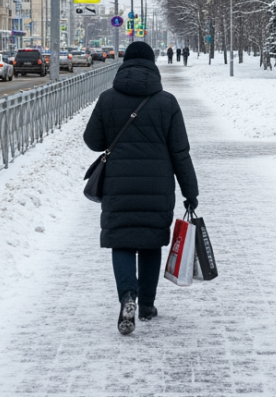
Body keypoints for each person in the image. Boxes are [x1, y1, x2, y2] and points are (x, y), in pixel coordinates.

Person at [83, 40, 198, 336]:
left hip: (118, 185)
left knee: (121, 241)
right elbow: (180, 152)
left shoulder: (108, 99)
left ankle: (127, 297)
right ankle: (146, 304)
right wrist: (190, 191)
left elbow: (93, 141)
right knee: (150, 242)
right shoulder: (167, 102)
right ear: (153, 66)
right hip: (157, 185)